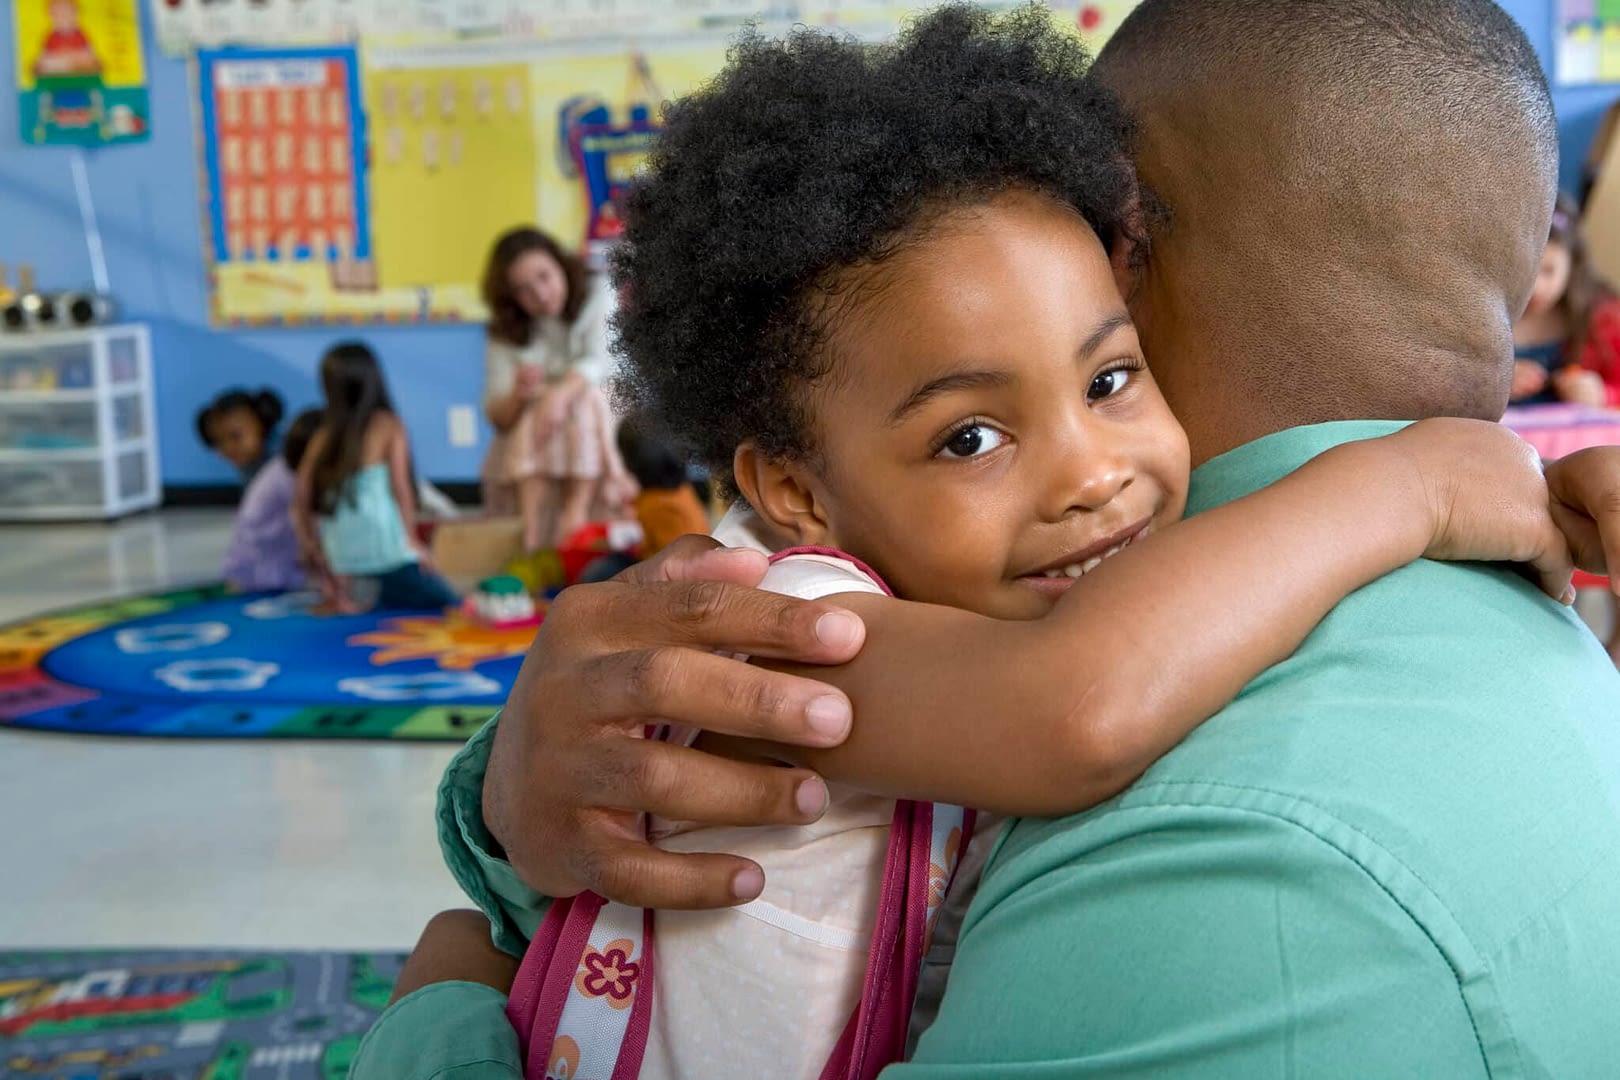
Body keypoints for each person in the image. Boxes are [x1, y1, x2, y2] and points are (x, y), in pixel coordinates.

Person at [359, 2, 1620, 1077]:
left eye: (1110, 380)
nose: (1087, 475)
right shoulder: (792, 623)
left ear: (1118, 242)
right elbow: (1073, 702)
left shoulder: (1223, 793)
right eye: (970, 436)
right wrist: (1410, 488)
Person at [479, 226, 635, 552]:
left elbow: (601, 362)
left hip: (600, 415)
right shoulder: (507, 330)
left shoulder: (597, 292)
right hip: (540, 433)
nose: (540, 294)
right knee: (539, 403)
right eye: (523, 289)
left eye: (544, 277)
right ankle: (536, 529)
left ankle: (571, 517)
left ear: (561, 265)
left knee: (585, 397)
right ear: (510, 297)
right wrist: (520, 395)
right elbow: (497, 414)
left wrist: (559, 394)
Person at [292, 342, 458, 612]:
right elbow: (401, 489)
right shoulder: (388, 424)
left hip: (340, 553)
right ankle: (372, 592)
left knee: (389, 593)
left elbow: (301, 494)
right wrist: (412, 544)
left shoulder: (325, 433)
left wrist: (311, 544)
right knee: (445, 601)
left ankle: (354, 592)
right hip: (386, 550)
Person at [1511, 193, 1620, 406]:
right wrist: (1492, 384)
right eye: (1523, 271)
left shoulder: (1602, 317)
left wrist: (1602, 394)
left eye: (1549, 271)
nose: (1536, 288)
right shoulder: (1475, 314)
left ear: (1572, 265)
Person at [576, 414, 711, 584]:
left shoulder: (663, 507)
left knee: (598, 573)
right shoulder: (673, 489)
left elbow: (669, 565)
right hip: (659, 559)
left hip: (670, 575)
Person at [220, 407, 320, 593]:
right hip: (262, 567)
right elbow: (305, 519)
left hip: (260, 560)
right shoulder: (290, 476)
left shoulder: (283, 469)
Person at [195, 386, 285, 483]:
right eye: (218, 441)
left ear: (263, 424)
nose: (228, 448)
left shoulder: (286, 462)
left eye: (236, 436)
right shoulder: (250, 468)